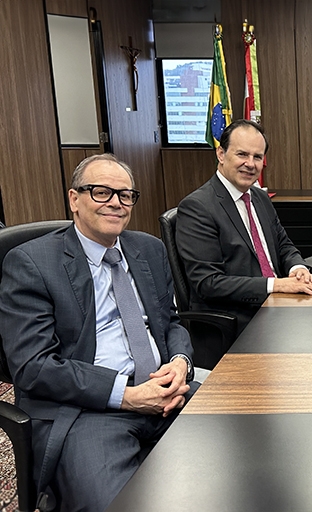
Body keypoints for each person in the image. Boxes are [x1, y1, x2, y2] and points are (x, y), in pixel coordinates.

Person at [0, 154, 196, 511]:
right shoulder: (30, 263)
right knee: (117, 503)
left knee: (242, 456)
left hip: (168, 392)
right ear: (75, 199)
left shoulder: (148, 248)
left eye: (125, 195)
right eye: (102, 192)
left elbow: (172, 322)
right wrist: (127, 395)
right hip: (87, 410)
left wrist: (181, 362)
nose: (116, 204)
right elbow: (33, 367)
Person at [177, 120, 312, 336]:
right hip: (239, 319)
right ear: (221, 154)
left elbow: (283, 245)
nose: (250, 164)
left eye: (257, 157)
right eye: (242, 154)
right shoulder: (197, 207)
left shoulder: (259, 197)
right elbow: (208, 283)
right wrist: (276, 285)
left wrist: (297, 269)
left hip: (277, 306)